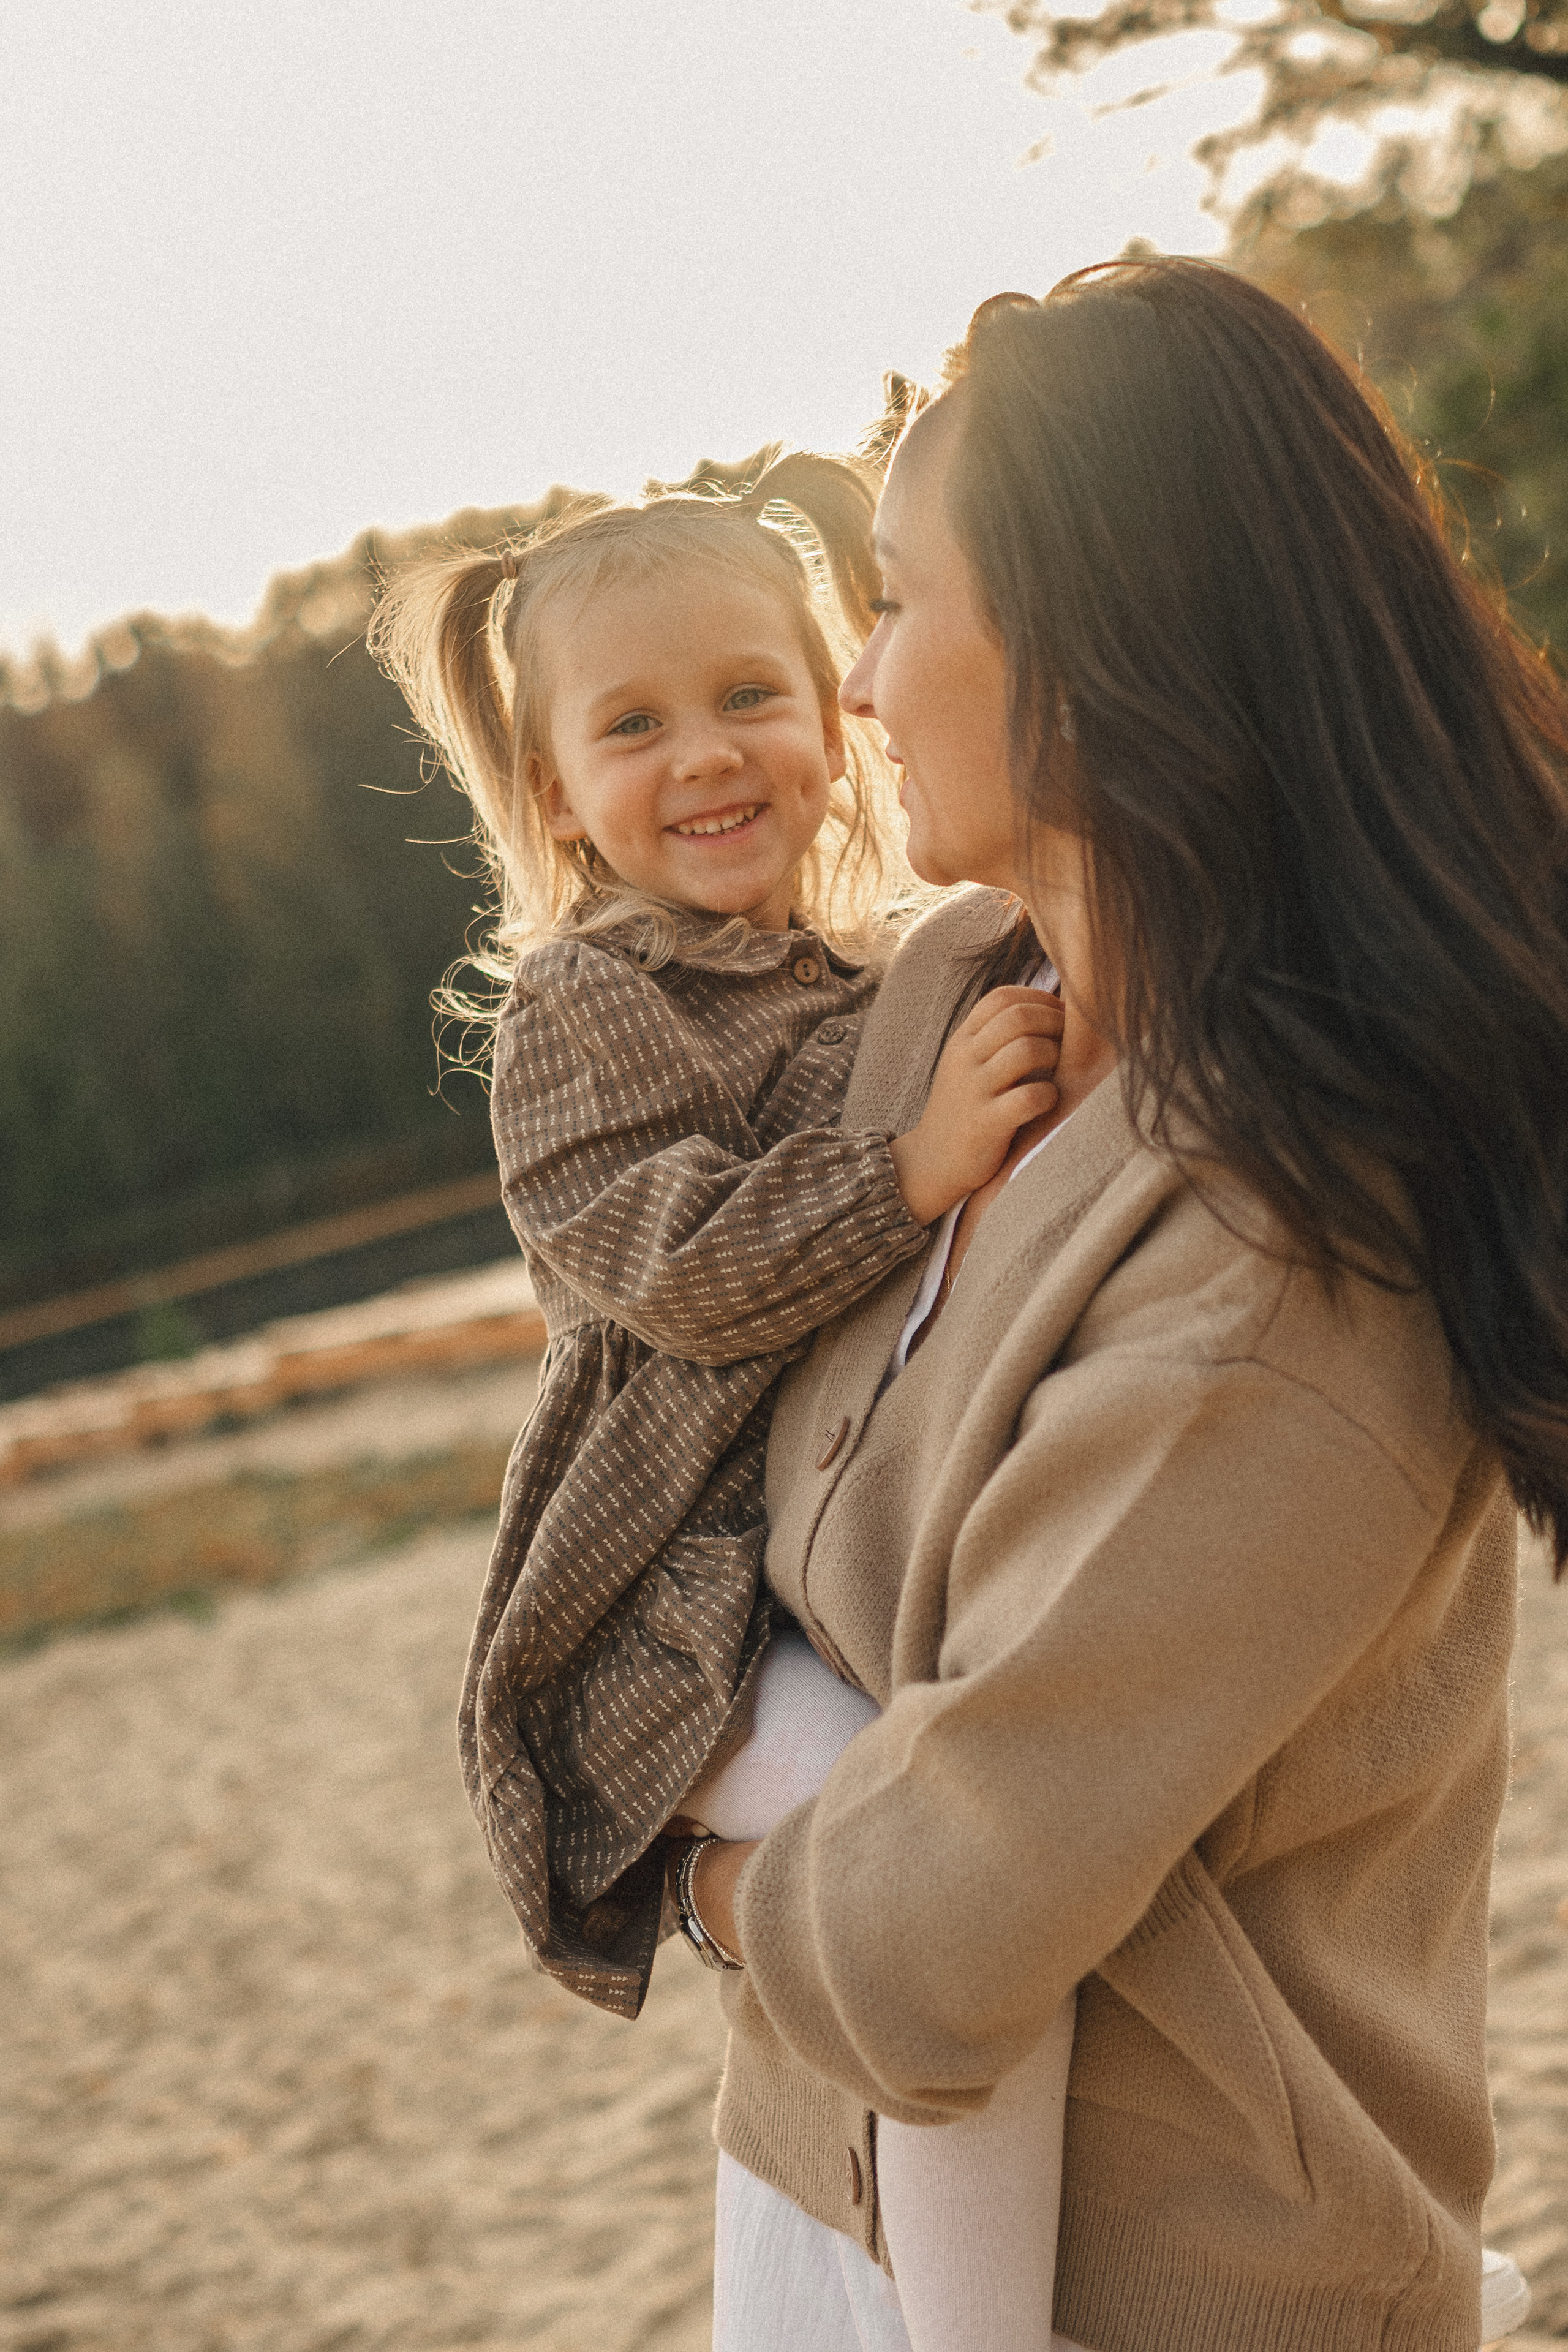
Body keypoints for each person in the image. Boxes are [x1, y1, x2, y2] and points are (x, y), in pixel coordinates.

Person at [682, 258, 1568, 2352]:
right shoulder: (939, 1019)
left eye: (894, 602)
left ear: (1094, 653)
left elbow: (929, 1932)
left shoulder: (1294, 1263)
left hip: (1161, 2291)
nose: (863, 685)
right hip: (823, 2190)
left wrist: (691, 1868)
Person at [369, 454, 1074, 2346]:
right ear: (555, 797)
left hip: (826, 1589)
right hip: (670, 1618)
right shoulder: (580, 1008)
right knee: (925, 1865)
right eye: (634, 724)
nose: (708, 753)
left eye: (750, 693)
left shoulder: (867, 973)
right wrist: (908, 1166)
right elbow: (676, 1266)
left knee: (995, 1863)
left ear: (837, 709)